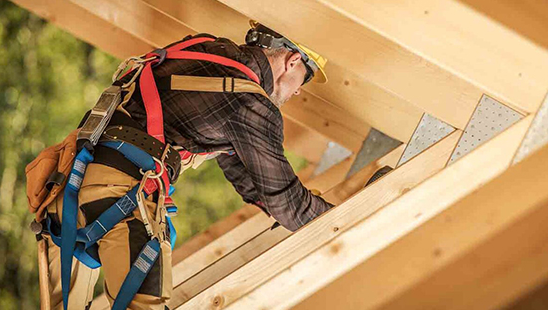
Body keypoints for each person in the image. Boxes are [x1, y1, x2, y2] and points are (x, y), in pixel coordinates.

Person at [37, 21, 334, 309]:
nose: (298, 92)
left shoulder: (204, 50)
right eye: (305, 80)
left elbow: (241, 170)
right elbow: (288, 202)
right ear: (293, 61)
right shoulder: (251, 104)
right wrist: (335, 217)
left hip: (65, 188)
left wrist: (270, 204)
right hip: (119, 194)